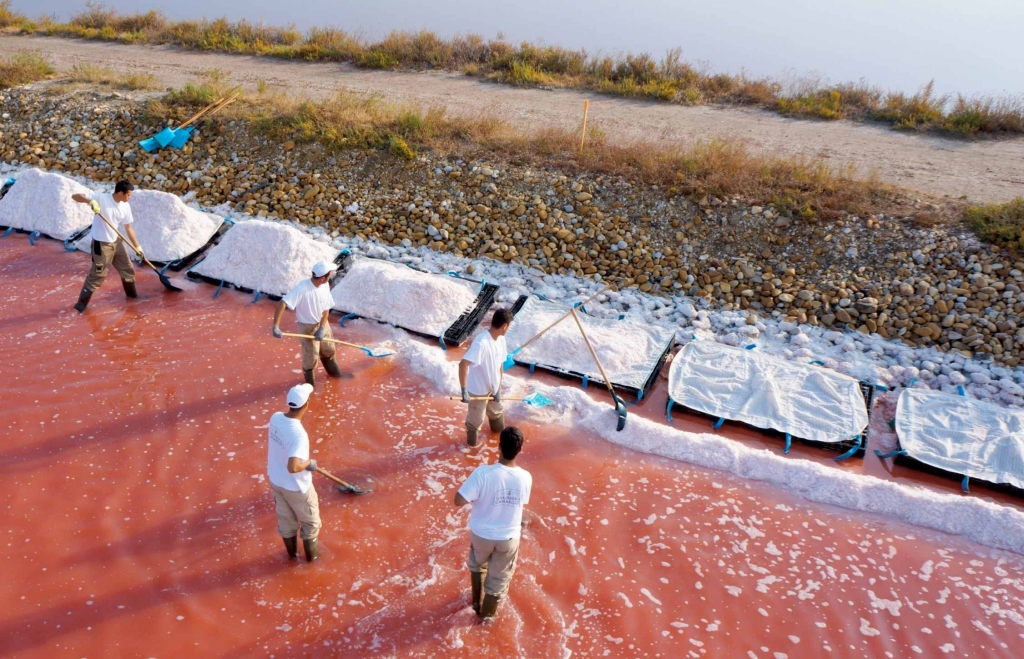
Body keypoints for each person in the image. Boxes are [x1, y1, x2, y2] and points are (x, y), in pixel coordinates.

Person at [454, 426, 532, 618]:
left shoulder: (483, 474)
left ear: (499, 447)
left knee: (477, 566)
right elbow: (520, 504)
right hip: (508, 537)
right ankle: (485, 620)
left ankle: (475, 605)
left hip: (481, 534)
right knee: (497, 583)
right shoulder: (525, 477)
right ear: (520, 450)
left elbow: (458, 500)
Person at [71, 180, 145, 313]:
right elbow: (75, 196)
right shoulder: (101, 198)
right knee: (98, 275)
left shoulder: (125, 206)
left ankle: (132, 297)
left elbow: (128, 228)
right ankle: (81, 305)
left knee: (127, 270)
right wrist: (90, 202)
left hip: (116, 241)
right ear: (120, 193)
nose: (130, 198)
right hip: (101, 244)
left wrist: (137, 247)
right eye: (128, 195)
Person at [267, 383, 322, 562]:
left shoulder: (275, 417)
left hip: (276, 481)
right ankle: (312, 562)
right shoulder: (299, 434)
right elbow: (293, 466)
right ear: (306, 405)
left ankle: (292, 557)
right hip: (297, 487)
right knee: (311, 524)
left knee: (286, 521)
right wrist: (309, 463)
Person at [272, 260, 342, 386]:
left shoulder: (324, 285)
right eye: (329, 274)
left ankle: (336, 377)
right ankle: (310, 388)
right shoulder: (302, 288)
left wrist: (322, 327)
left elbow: (326, 308)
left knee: (329, 350)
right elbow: (282, 303)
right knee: (311, 358)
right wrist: (276, 326)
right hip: (307, 328)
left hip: (323, 324)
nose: (331, 275)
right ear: (322, 278)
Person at [458, 308, 512, 447]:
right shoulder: (481, 343)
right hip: (478, 390)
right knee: (475, 422)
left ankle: (500, 442)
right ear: (505, 326)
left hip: (493, 387)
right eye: (509, 326)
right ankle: (472, 450)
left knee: (496, 412)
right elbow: (463, 364)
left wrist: (498, 388)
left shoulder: (501, 340)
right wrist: (464, 391)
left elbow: (500, 365)